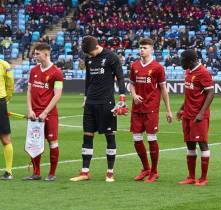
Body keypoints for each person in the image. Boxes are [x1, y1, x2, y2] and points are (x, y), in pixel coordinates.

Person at [70, 36, 127, 183]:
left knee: (109, 135)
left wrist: (121, 98)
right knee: (87, 135)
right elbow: (88, 79)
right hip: (90, 102)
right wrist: (85, 97)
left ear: (96, 47)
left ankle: (109, 172)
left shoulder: (111, 57)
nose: (89, 56)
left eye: (90, 53)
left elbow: (120, 77)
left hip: (106, 103)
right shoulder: (89, 60)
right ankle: (85, 172)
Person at [129, 38, 173, 183]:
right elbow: (132, 84)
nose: (142, 50)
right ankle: (146, 168)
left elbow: (164, 90)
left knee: (151, 138)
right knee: (136, 138)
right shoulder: (134, 65)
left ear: (152, 49)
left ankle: (154, 171)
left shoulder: (158, 67)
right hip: (137, 108)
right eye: (141, 47)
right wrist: (134, 95)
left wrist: (168, 110)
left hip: (151, 109)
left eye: (145, 48)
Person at [24, 42, 63, 181]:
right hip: (34, 114)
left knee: (53, 142)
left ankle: (52, 173)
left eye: (37, 54)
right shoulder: (33, 71)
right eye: (34, 53)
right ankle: (36, 173)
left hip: (49, 114)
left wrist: (45, 112)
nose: (35, 56)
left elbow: (57, 95)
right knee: (34, 142)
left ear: (46, 54)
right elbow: (29, 91)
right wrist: (29, 109)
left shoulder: (57, 72)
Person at [176, 49, 215, 186]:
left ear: (191, 61)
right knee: (190, 144)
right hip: (187, 114)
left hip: (198, 116)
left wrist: (202, 113)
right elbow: (189, 94)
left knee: (202, 144)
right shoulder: (188, 71)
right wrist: (181, 108)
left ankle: (203, 178)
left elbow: (211, 93)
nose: (180, 62)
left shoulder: (203, 72)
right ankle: (191, 177)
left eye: (182, 60)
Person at [0, 58, 14, 180]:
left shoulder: (4, 65)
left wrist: (6, 99)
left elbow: (10, 84)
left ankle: (8, 171)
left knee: (5, 138)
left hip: (0, 102)